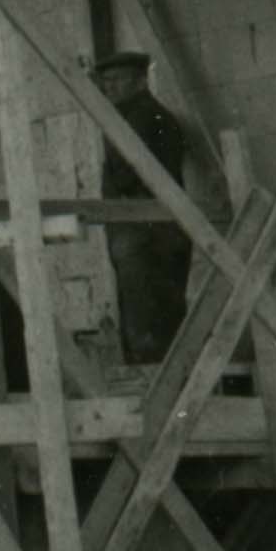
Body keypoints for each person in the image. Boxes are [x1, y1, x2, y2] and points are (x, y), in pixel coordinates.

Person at [91, 50, 228, 368]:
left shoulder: (143, 118)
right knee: (155, 316)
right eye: (106, 81)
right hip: (148, 232)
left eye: (117, 80)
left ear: (140, 81)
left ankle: (159, 389)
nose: (109, 88)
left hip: (148, 234)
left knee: (149, 318)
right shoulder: (135, 116)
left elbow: (127, 178)